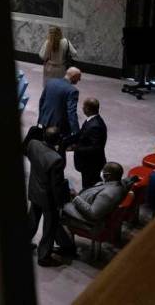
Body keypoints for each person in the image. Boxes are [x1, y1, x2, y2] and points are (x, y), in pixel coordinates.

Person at [26, 127, 76, 267]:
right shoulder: (56, 159)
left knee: (32, 218)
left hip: (34, 190)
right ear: (58, 140)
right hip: (48, 199)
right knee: (50, 227)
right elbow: (57, 185)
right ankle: (44, 256)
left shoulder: (33, 144)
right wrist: (62, 201)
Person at [61, 162, 130, 228]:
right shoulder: (119, 184)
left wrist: (75, 197)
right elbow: (128, 180)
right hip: (88, 201)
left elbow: (93, 214)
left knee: (58, 208)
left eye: (103, 171)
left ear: (108, 176)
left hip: (86, 218)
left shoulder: (107, 195)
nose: (102, 172)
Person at [38, 66, 82, 147]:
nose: (79, 80)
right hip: (59, 127)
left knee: (44, 144)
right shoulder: (73, 91)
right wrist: (76, 132)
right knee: (59, 149)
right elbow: (71, 112)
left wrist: (41, 119)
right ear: (73, 76)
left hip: (45, 120)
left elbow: (41, 101)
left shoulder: (50, 82)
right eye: (79, 78)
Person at [72, 98, 107, 188]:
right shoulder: (91, 120)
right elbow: (81, 134)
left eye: (84, 106)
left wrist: (76, 148)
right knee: (90, 182)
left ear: (88, 109)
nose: (82, 108)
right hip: (89, 162)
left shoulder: (95, 126)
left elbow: (96, 148)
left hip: (91, 163)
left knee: (89, 185)